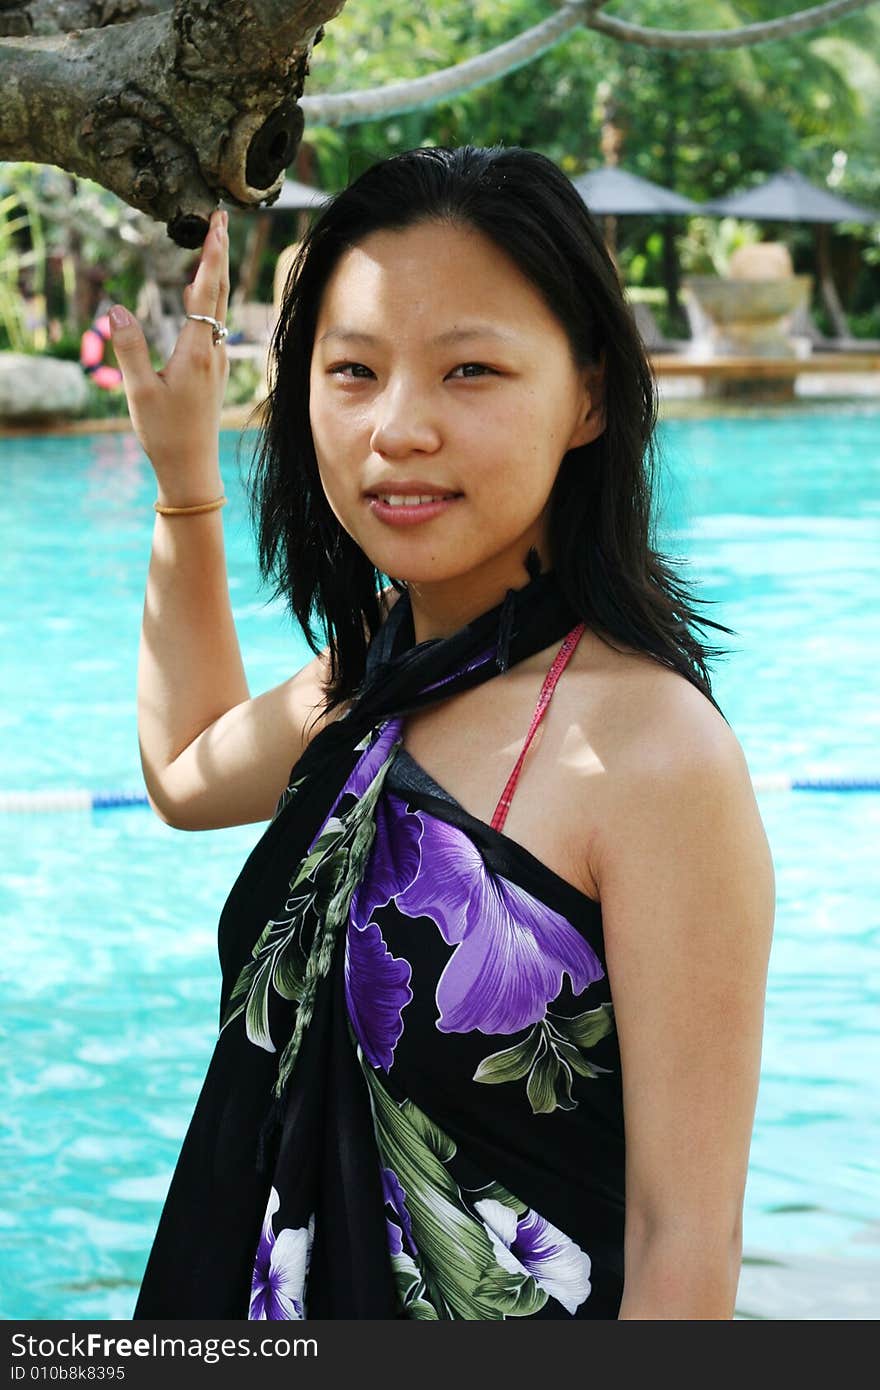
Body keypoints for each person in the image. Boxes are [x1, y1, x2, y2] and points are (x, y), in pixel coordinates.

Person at [108, 144, 775, 1321]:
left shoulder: (652, 754)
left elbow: (684, 1240)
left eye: (470, 370)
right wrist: (181, 479)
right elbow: (183, 769)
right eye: (353, 370)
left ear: (588, 396)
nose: (397, 428)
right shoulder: (370, 684)